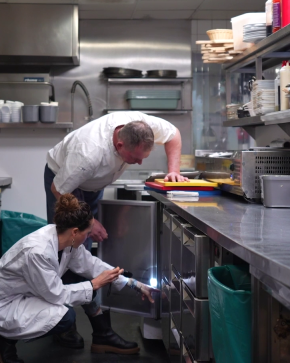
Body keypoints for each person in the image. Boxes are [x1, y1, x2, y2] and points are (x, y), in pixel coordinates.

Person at [42, 111, 188, 348]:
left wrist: (174, 170)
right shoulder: (88, 153)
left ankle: (100, 331)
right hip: (64, 183)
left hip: (92, 185)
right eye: (135, 157)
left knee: (87, 254)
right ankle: (64, 326)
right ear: (119, 144)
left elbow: (174, 134)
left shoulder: (142, 126)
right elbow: (58, 189)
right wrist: (90, 222)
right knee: (67, 253)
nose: (140, 163)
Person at [0, 195, 157, 363]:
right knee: (66, 318)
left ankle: (103, 335)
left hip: (27, 292)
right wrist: (95, 284)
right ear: (75, 232)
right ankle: (4, 340)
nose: (88, 237)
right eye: (87, 234)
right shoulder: (38, 251)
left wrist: (134, 284)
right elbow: (57, 296)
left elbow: (91, 265)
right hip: (3, 305)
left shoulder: (65, 239)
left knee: (82, 274)